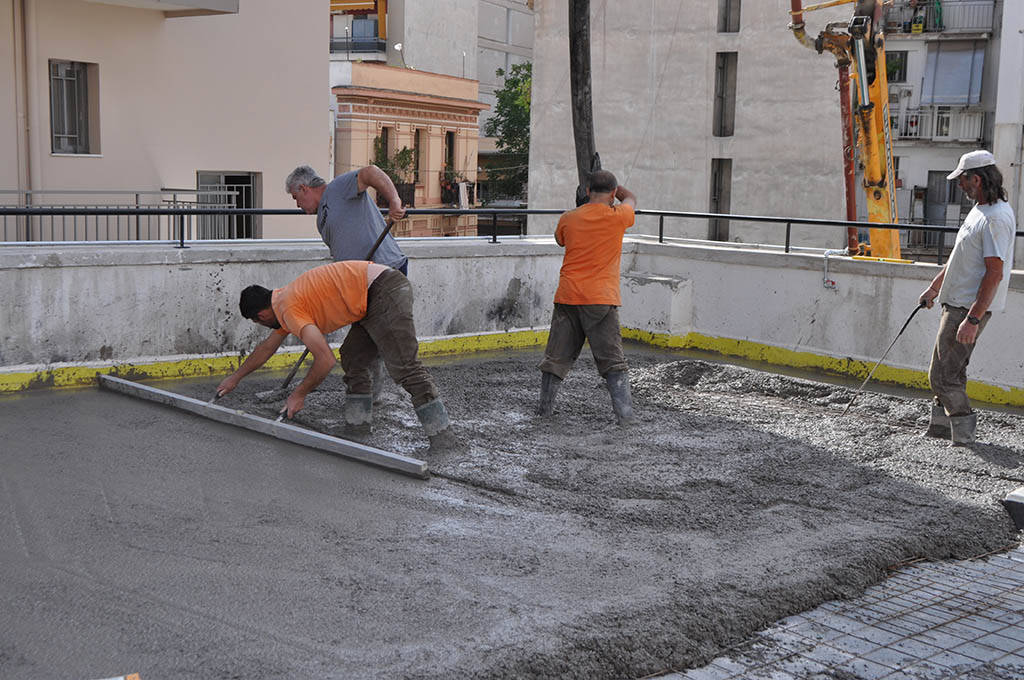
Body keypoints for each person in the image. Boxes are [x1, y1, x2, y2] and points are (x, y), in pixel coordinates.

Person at [215, 261, 456, 449]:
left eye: (258, 322)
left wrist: (299, 395)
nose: (262, 325)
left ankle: (443, 437)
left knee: (405, 366)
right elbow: (267, 348)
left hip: (384, 290)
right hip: (370, 298)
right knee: (352, 356)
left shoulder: (289, 308)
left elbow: (325, 361)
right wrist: (234, 378)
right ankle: (358, 426)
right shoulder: (284, 300)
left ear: (262, 315)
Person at [918, 150, 1016, 446]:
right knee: (950, 369)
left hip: (967, 309)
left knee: (943, 375)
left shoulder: (996, 218)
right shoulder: (980, 211)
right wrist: (935, 288)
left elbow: (994, 274)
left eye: (961, 180)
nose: (959, 185)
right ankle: (939, 429)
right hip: (956, 303)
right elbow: (959, 257)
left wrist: (973, 318)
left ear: (976, 178)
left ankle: (963, 434)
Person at [285, 164, 408, 400]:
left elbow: (372, 172)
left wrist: (394, 200)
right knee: (364, 340)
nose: (297, 205)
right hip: (358, 283)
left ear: (303, 188)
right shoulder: (321, 218)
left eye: (296, 198)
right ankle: (371, 396)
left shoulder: (338, 188)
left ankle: (372, 396)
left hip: (384, 270)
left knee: (374, 339)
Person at [537, 170, 638, 425]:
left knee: (556, 357)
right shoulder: (619, 216)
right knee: (613, 360)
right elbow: (631, 198)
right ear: (613, 194)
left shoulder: (569, 218)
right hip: (601, 298)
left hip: (568, 296)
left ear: (587, 191)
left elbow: (560, 241)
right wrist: (618, 191)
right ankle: (625, 417)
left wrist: (582, 203)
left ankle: (544, 410)